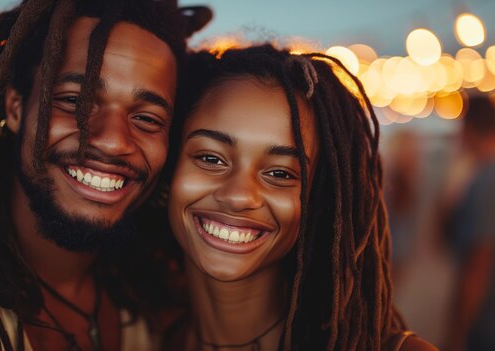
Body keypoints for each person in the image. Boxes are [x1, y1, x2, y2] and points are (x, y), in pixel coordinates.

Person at [0, 0, 212, 350]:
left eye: (148, 119)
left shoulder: (154, 302)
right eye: (74, 101)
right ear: (15, 108)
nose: (112, 141)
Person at [162, 45, 439, 350]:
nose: (238, 196)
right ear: (168, 165)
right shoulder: (135, 336)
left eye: (280, 174)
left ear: (320, 201)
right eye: (210, 159)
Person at [442, 94, 495, 351]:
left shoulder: (486, 179)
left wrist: (457, 332)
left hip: (484, 323)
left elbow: (479, 259)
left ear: (469, 126)